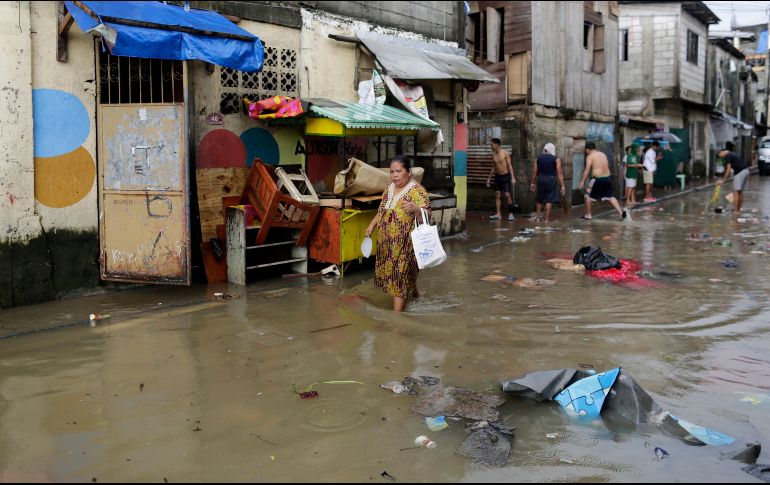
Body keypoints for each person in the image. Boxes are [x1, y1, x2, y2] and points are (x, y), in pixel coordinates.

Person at [365, 155, 431, 313]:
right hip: (387, 242)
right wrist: (372, 225)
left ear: (409, 172)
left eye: (398, 171)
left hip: (406, 243)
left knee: (399, 276)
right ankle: (416, 296)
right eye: (392, 172)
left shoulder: (417, 190)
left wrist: (416, 209)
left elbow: (428, 214)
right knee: (402, 273)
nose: (394, 175)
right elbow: (382, 210)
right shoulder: (389, 188)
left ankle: (396, 318)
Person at [578, 142, 626, 221]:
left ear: (587, 149)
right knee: (610, 196)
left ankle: (588, 215)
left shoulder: (590, 156)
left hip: (597, 179)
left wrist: (582, 181)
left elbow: (587, 169)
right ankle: (620, 212)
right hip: (607, 178)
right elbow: (607, 165)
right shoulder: (603, 154)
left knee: (587, 196)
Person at [530, 143, 566, 223]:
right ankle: (546, 219)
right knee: (549, 200)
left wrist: (532, 183)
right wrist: (562, 186)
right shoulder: (556, 159)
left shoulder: (538, 158)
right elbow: (559, 173)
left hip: (540, 179)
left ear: (545, 150)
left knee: (539, 199)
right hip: (551, 180)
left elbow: (534, 172)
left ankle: (538, 218)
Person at [485, 138, 516, 221]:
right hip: (497, 176)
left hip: (506, 176)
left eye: (492, 145)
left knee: (507, 194)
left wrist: (513, 177)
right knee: (497, 194)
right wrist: (489, 178)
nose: (491, 146)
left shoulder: (505, 153)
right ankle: (498, 214)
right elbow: (493, 167)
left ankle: (511, 214)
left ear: (497, 145)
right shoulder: (493, 155)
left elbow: (509, 165)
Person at [717, 145, 749, 215]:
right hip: (746, 171)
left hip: (740, 172)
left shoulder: (727, 156)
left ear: (721, 152)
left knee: (736, 192)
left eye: (720, 156)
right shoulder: (733, 154)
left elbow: (728, 170)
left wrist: (723, 181)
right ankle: (738, 209)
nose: (721, 157)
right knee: (740, 191)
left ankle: (736, 211)